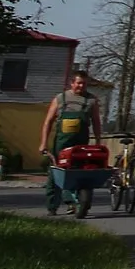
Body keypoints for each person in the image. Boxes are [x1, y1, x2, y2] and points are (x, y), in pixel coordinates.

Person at [39, 69, 103, 214]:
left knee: (80, 174)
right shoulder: (60, 99)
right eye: (79, 83)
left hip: (81, 145)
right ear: (72, 83)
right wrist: (43, 143)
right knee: (56, 173)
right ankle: (52, 206)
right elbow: (48, 122)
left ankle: (77, 203)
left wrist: (99, 142)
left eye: (84, 84)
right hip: (61, 144)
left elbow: (96, 122)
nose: (81, 86)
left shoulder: (91, 100)